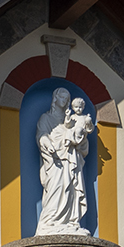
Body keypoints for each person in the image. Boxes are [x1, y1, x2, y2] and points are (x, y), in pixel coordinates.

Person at [33, 89, 94, 235]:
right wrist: (47, 143)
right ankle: (49, 222)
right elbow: (41, 135)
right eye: (61, 96)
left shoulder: (73, 119)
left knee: (72, 190)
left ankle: (70, 222)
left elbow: (82, 140)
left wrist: (79, 136)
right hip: (55, 162)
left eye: (67, 98)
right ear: (55, 98)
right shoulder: (46, 118)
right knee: (57, 187)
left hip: (72, 161)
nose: (64, 100)